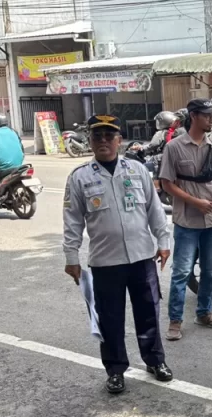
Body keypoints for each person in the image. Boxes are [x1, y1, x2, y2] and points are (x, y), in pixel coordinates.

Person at [62, 115, 173, 394]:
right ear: (90, 141)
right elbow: (72, 221)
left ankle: (155, 361)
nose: (103, 141)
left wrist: (163, 241)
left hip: (141, 257)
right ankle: (115, 370)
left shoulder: (137, 170)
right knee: (110, 319)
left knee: (148, 312)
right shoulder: (80, 177)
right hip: (105, 261)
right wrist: (71, 258)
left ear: (119, 140)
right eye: (97, 136)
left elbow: (154, 210)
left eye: (109, 136)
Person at [160, 99, 212, 341]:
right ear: (194, 116)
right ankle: (175, 320)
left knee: (210, 271)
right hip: (187, 221)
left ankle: (204, 312)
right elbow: (167, 184)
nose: (211, 119)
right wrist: (195, 202)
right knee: (181, 272)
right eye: (207, 115)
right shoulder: (174, 147)